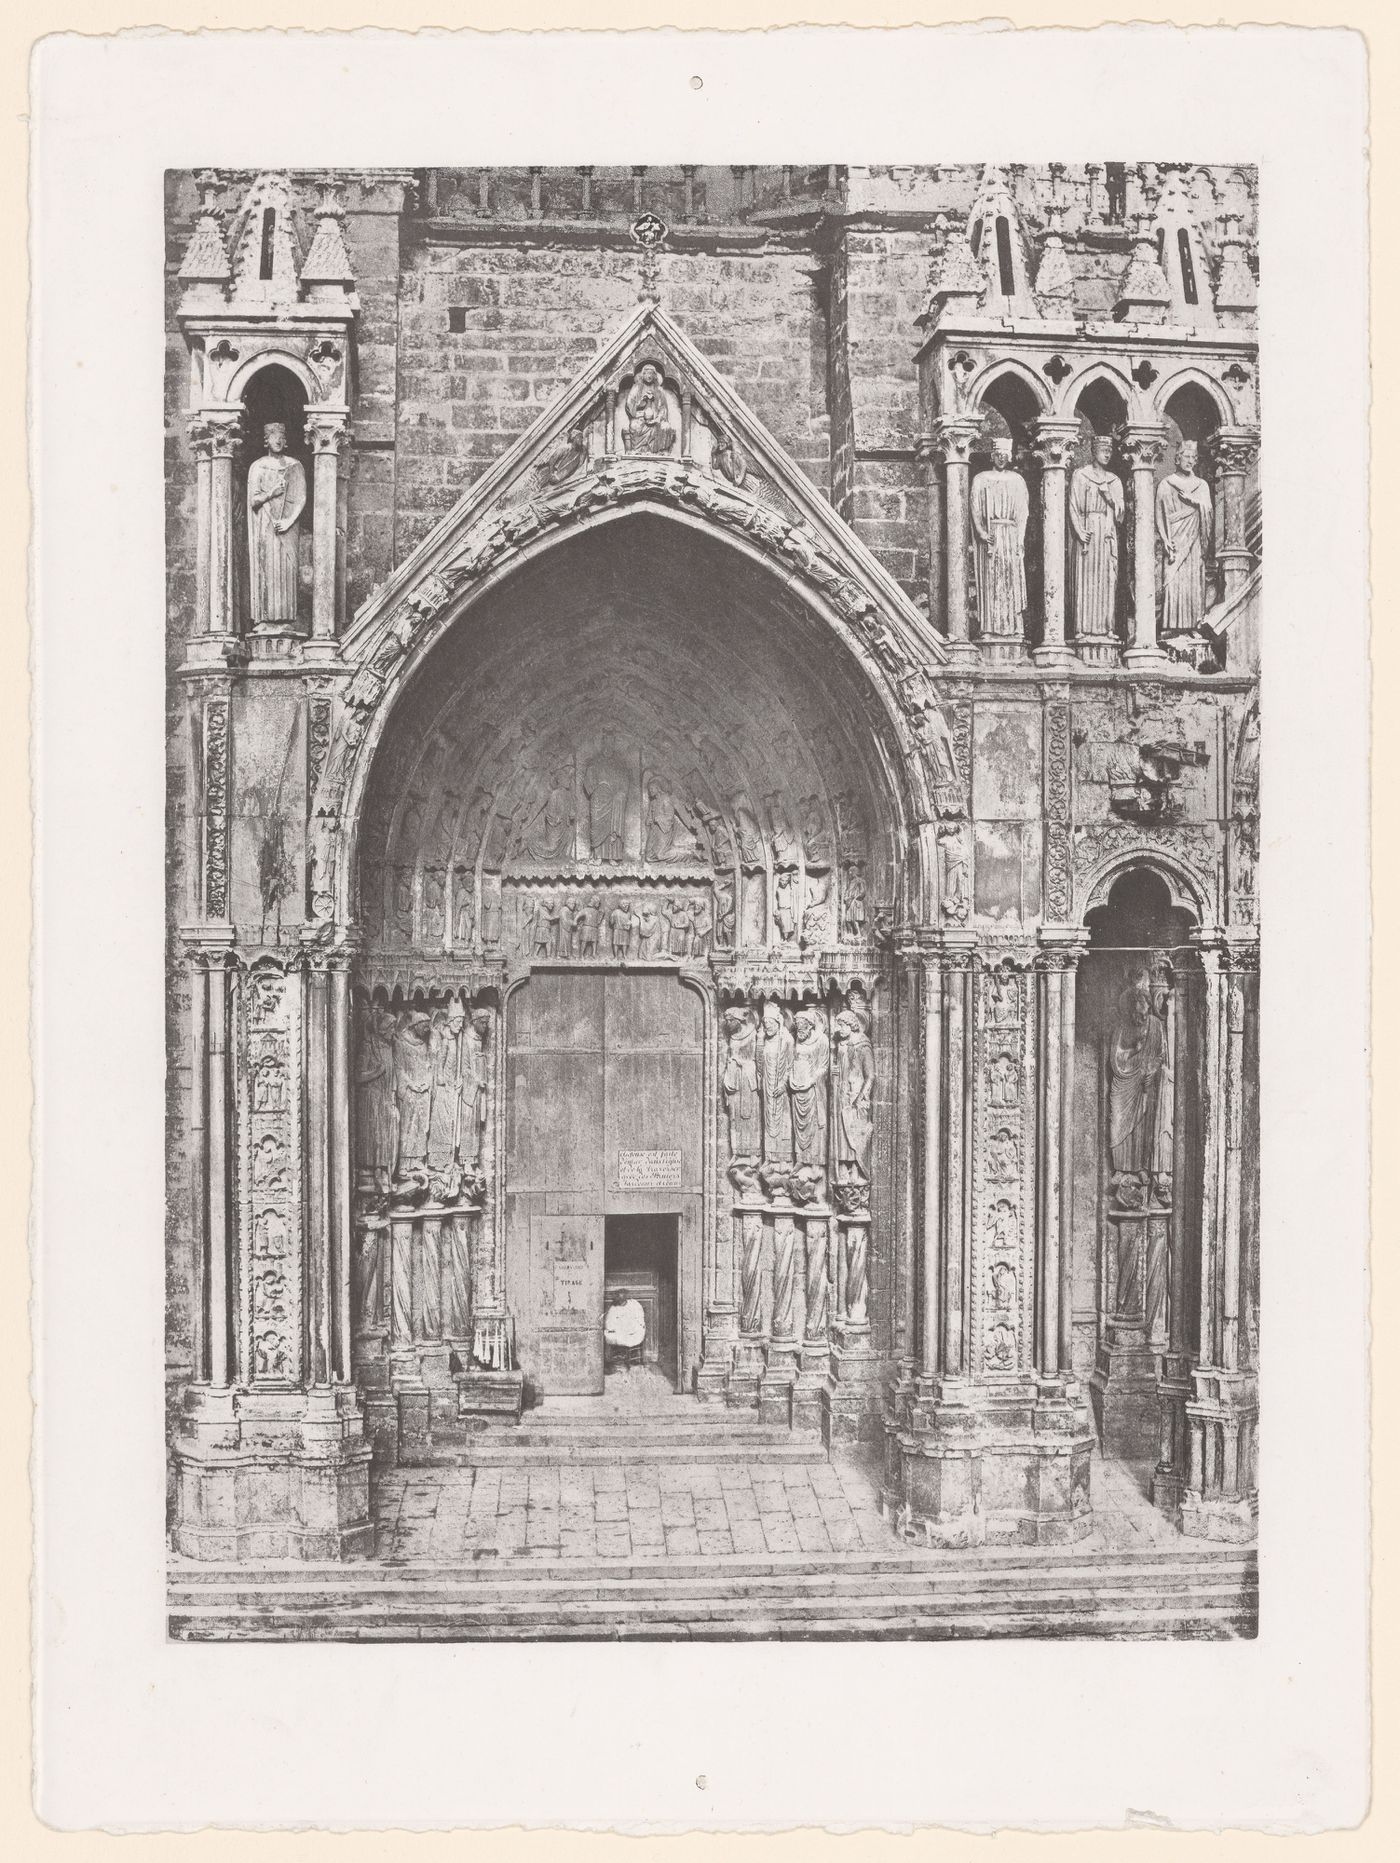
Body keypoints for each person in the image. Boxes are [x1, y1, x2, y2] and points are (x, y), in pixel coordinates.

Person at [246, 421, 306, 624]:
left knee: (288, 570)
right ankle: (266, 620)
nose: (278, 440)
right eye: (273, 436)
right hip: (266, 525)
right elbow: (253, 500)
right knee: (268, 568)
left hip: (287, 527)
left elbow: (301, 498)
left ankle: (287, 619)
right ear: (266, 440)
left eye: (281, 436)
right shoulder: (258, 466)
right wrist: (272, 493)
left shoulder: (294, 465)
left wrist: (289, 521)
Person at [603, 1288, 646, 1364]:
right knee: (608, 1335)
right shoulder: (613, 1308)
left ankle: (628, 1358)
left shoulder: (634, 1305)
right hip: (619, 1331)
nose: (620, 1300)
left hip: (633, 1331)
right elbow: (609, 1324)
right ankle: (610, 1362)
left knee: (632, 1334)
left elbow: (640, 1320)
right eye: (618, 1298)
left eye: (622, 1297)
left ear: (626, 1297)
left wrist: (630, 1327)